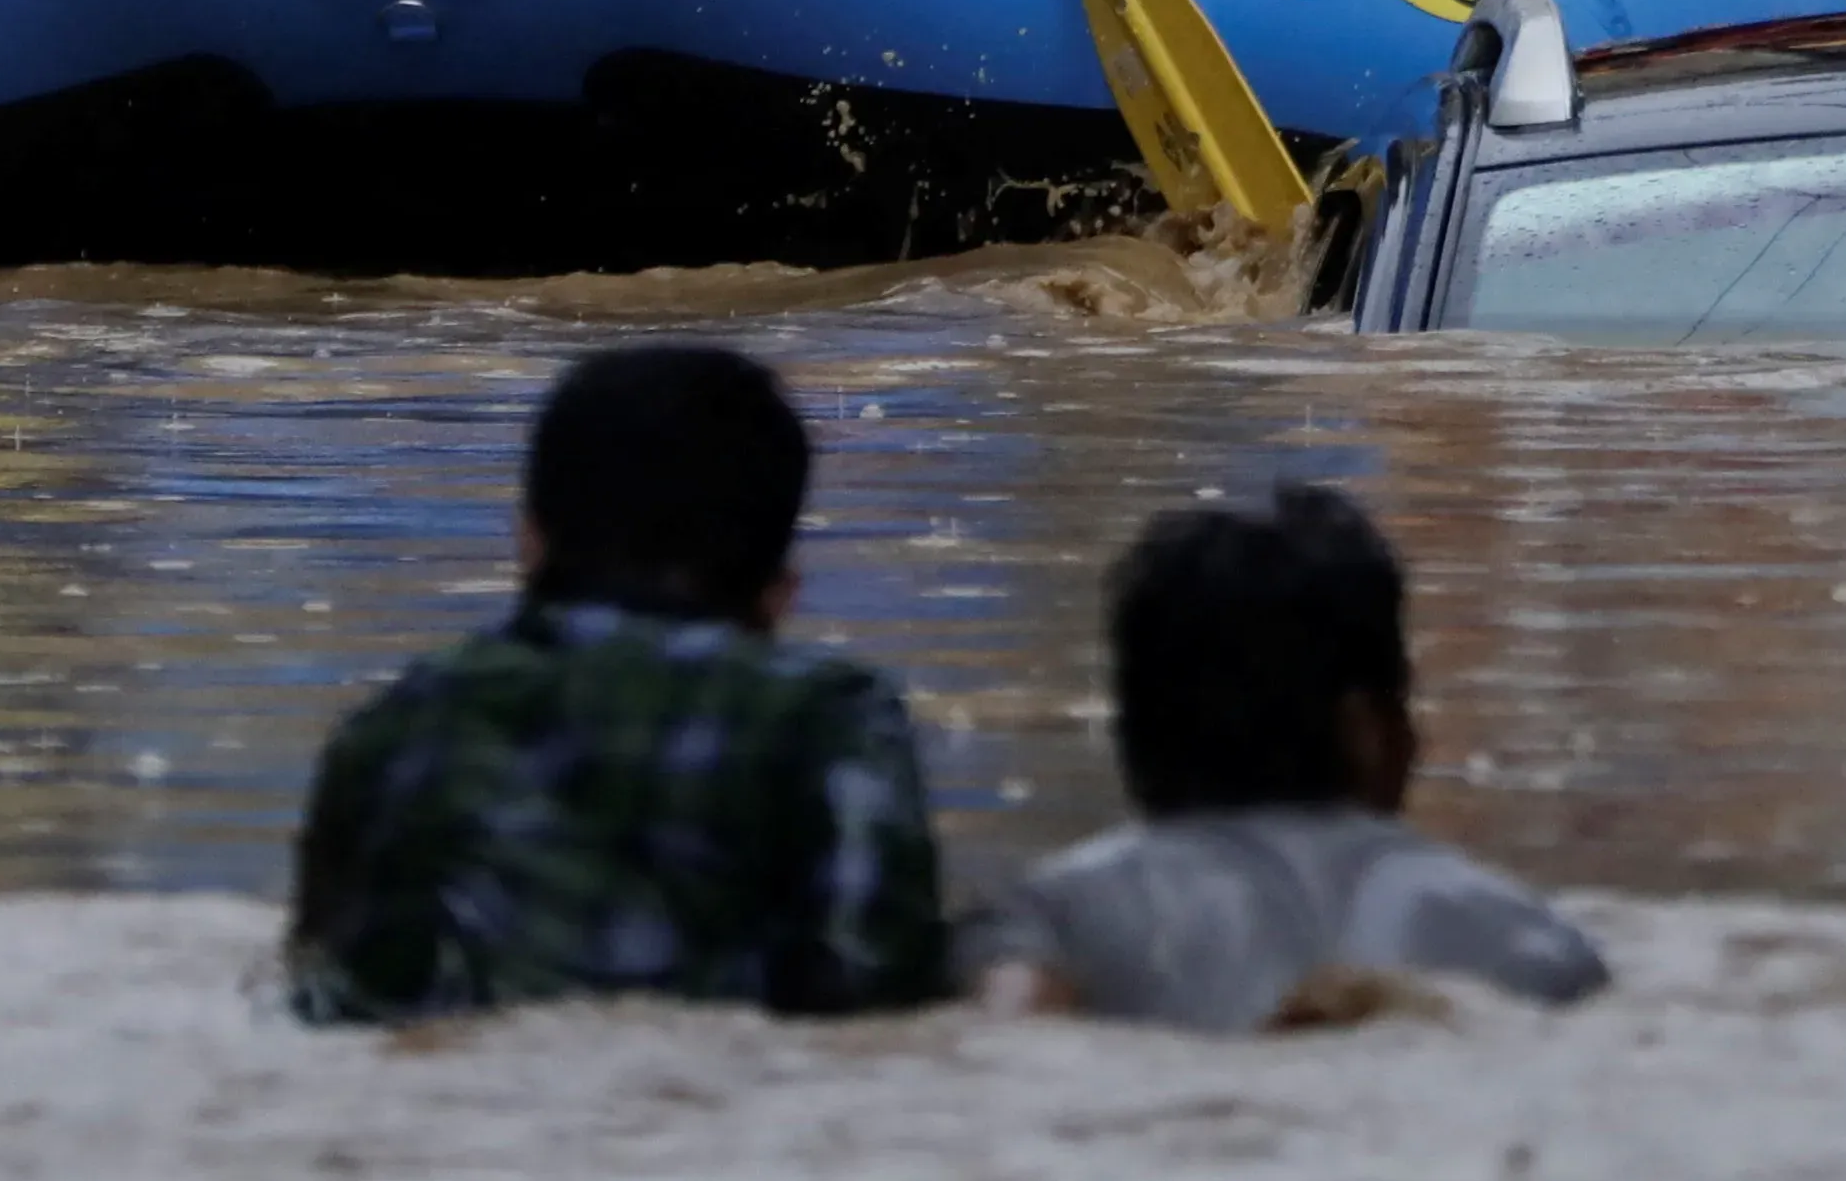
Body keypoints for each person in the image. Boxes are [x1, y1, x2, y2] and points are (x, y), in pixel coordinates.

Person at [288, 344, 948, 1024]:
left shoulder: (398, 721)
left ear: (527, 541)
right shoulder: (832, 718)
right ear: (782, 589)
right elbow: (874, 985)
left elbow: (325, 988)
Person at [961, 485, 1605, 1031]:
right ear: (1367, 730)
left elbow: (1004, 1052)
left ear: (1133, 731)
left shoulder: (1051, 920)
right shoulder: (1526, 934)